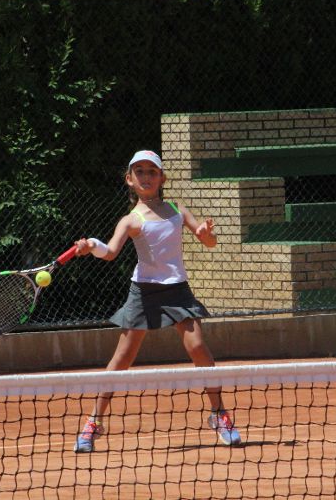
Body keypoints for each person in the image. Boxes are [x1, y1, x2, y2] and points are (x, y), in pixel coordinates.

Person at [71, 150, 241, 453]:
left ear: (162, 177)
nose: (146, 177)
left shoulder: (177, 209)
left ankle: (218, 414)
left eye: (152, 171)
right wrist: (91, 245)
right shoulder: (131, 220)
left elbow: (209, 242)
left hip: (177, 290)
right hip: (144, 292)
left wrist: (205, 233)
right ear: (129, 180)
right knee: (121, 360)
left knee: (199, 348)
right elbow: (109, 252)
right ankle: (95, 422)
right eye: (140, 172)